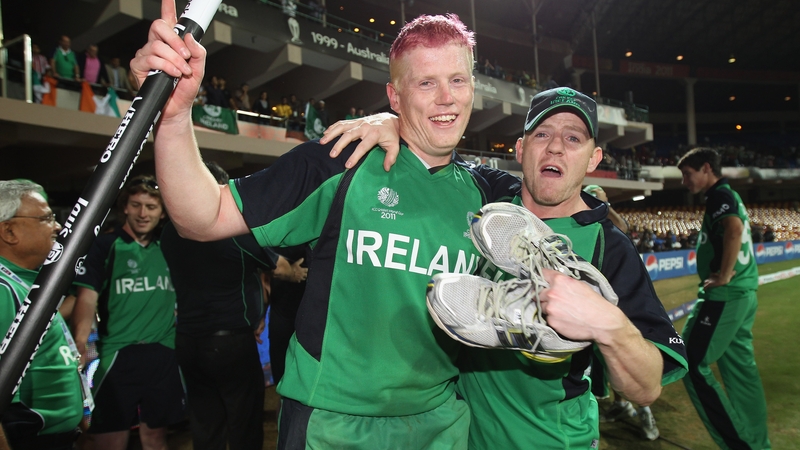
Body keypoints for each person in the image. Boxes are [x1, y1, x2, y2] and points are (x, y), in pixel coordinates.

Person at [130, 6, 517, 448]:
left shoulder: (490, 195)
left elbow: (557, 195)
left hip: (442, 424)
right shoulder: (339, 160)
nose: (447, 97)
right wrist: (175, 117)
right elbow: (200, 217)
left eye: (458, 80)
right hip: (332, 424)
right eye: (426, 82)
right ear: (395, 96)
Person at [323, 88, 688, 448]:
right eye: (542, 134)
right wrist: (391, 121)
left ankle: (545, 297)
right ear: (520, 149)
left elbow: (646, 388)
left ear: (593, 159)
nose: (556, 147)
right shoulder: (483, 195)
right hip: (459, 434)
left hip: (549, 442)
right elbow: (429, 151)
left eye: (573, 138)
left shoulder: (611, 248)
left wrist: (610, 325)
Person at [161, 162, 307, 450]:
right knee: (244, 424)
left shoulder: (169, 232)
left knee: (206, 424)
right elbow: (278, 268)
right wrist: (298, 272)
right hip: (229, 344)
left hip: (188, 341)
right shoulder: (231, 232)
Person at [71, 175, 184, 450]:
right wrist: (80, 342)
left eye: (151, 206)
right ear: (125, 207)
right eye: (136, 205)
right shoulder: (106, 246)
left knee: (156, 438)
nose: (143, 213)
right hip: (118, 354)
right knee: (110, 439)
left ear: (162, 212)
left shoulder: (170, 247)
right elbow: (86, 298)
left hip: (163, 352)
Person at [677, 148, 770, 450]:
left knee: (690, 363)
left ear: (706, 169)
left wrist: (724, 275)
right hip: (743, 294)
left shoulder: (720, 195)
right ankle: (757, 443)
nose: (684, 182)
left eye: (687, 174)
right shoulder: (726, 195)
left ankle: (739, 446)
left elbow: (734, 229)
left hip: (726, 295)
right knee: (741, 371)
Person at [0, 180, 84, 449]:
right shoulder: (3, 290)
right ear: (9, 231)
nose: (58, 226)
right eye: (47, 218)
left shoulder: (28, 280)